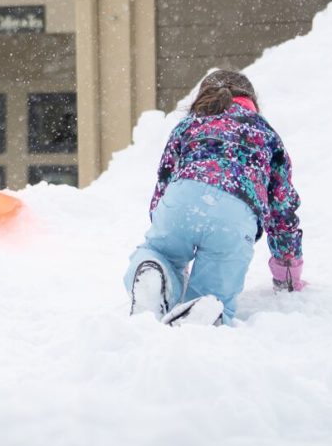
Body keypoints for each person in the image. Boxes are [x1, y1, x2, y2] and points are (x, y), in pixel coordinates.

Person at [125, 68, 303, 326]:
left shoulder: (188, 125)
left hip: (182, 198)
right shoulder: (266, 134)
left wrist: (166, 233)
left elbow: (163, 184)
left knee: (159, 254)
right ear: (252, 102)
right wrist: (287, 270)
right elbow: (282, 210)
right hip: (235, 215)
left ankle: (156, 272)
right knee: (214, 298)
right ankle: (202, 314)